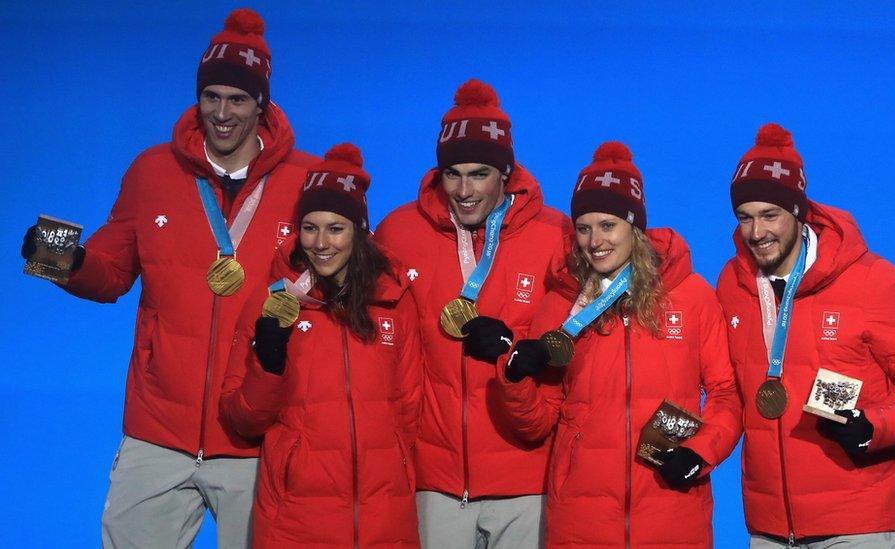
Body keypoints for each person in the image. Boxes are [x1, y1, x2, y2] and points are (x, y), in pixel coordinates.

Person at [20, 9, 316, 547]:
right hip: (158, 429)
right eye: (211, 97)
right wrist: (56, 258)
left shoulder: (306, 182)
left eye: (238, 99)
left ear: (262, 104)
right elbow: (110, 272)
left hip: (260, 432)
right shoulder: (153, 171)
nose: (222, 113)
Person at [717, 123, 895, 548]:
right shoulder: (732, 285)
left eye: (770, 215)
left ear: (799, 211)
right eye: (745, 217)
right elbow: (733, 390)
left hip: (858, 517)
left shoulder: (872, 281)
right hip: (769, 523)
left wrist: (875, 426)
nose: (756, 232)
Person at [489, 142, 742, 547]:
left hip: (672, 513)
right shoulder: (561, 305)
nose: (595, 241)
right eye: (584, 227)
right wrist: (516, 377)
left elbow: (726, 394)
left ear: (634, 227)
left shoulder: (690, 296)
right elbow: (538, 422)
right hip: (582, 520)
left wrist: (701, 452)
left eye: (608, 225)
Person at [373, 79, 570, 547]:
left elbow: (573, 350)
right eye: (452, 173)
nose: (463, 190)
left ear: (506, 173)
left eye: (479, 173)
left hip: (526, 479)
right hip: (432, 480)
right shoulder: (398, 233)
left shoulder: (555, 235)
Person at [220, 143, 423, 547]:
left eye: (336, 228)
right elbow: (240, 417)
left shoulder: (393, 302)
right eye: (310, 227)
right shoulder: (273, 302)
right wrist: (269, 365)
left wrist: (392, 461)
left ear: (359, 232)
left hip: (385, 517)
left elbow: (408, 405)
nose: (321, 242)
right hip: (295, 518)